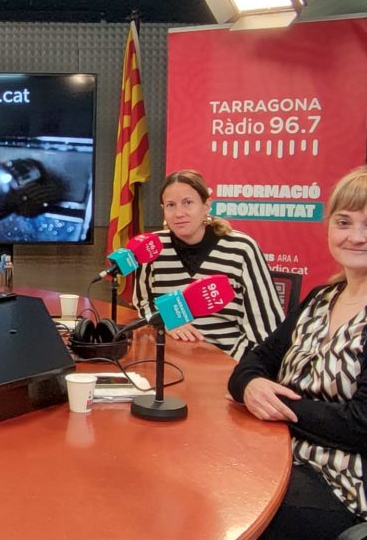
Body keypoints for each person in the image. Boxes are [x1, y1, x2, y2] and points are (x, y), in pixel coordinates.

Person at [228, 165, 367, 539]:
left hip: (344, 480)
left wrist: (279, 407)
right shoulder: (320, 299)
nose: (355, 236)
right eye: (343, 222)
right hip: (280, 452)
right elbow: (257, 359)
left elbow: (359, 424)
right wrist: (252, 385)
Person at [133, 169, 283, 360]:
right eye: (171, 205)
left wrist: (251, 371)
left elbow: (266, 324)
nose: (179, 213)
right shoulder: (152, 247)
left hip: (227, 357)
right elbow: (143, 302)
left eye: (188, 203)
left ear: (206, 205)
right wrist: (170, 319)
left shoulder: (241, 248)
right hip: (169, 357)